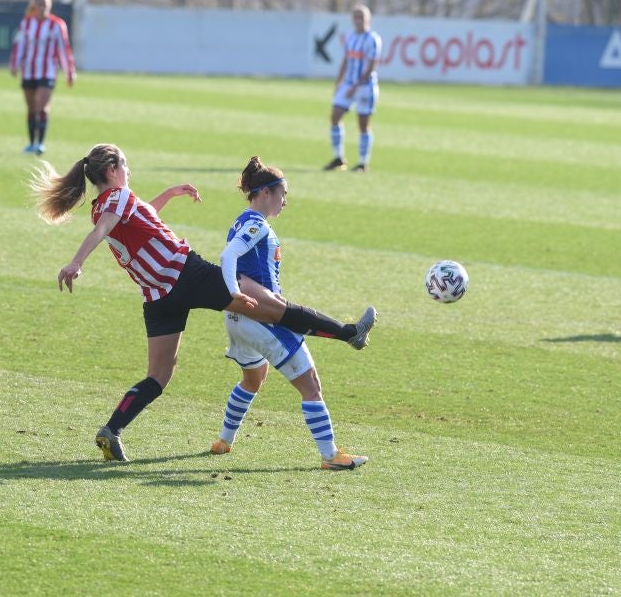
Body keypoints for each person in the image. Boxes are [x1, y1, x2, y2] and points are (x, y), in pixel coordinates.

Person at [32, 144, 377, 462]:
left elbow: (139, 218)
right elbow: (103, 231)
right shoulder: (117, 198)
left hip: (158, 296)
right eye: (125, 165)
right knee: (275, 308)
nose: (129, 171)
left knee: (158, 376)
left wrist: (170, 193)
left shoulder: (102, 206)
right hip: (186, 274)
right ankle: (348, 333)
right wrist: (76, 262)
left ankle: (112, 429)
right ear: (112, 170)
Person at [210, 156, 368, 470]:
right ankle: (331, 456)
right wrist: (233, 291)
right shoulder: (256, 224)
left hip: (236, 319)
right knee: (311, 385)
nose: (285, 201)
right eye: (283, 194)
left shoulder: (241, 220)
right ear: (265, 192)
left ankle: (223, 441)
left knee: (253, 378)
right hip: (260, 318)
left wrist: (234, 296)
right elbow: (228, 256)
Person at [9, 0, 76, 156]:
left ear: (49, 5)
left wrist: (69, 71)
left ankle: (40, 143)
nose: (42, 7)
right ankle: (32, 143)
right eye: (39, 3)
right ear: (35, 5)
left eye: (45, 4)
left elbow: (64, 49)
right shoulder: (27, 23)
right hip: (29, 71)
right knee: (31, 108)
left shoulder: (57, 24)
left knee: (42, 106)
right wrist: (14, 64)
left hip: (47, 72)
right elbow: (20, 45)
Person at [323, 4, 382, 173]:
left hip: (365, 86)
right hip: (348, 84)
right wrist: (339, 82)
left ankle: (363, 163)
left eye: (361, 17)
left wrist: (355, 86)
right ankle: (338, 158)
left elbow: (371, 66)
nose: (358, 20)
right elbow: (346, 60)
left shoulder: (373, 39)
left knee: (363, 124)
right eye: (356, 17)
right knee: (335, 115)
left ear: (368, 19)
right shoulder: (350, 37)